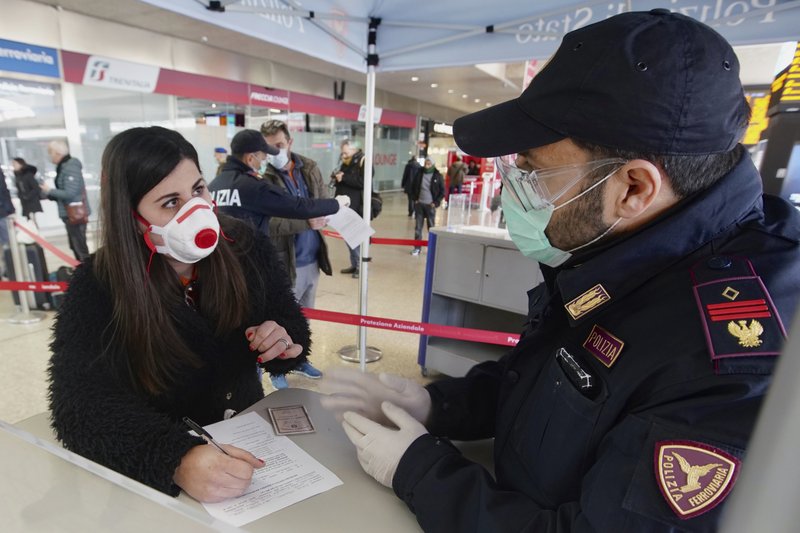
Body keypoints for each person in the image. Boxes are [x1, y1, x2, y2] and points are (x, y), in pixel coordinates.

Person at [320, 10, 800, 531]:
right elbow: (548, 377)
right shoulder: (624, 249)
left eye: (535, 171)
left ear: (634, 188)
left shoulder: (733, 358)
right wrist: (437, 405)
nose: (516, 188)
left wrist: (420, 469)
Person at [48, 126, 312, 503]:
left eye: (199, 189)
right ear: (131, 215)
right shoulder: (99, 283)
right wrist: (176, 458)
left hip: (247, 438)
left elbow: (289, 319)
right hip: (162, 472)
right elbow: (78, 408)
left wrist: (285, 340)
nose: (196, 211)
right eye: (171, 202)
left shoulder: (242, 244)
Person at [260, 119, 329, 389]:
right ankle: (277, 370)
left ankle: (299, 361)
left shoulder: (309, 168)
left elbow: (321, 200)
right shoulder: (263, 179)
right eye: (269, 149)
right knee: (281, 320)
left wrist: (332, 210)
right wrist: (305, 222)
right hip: (285, 261)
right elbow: (268, 222)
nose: (275, 153)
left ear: (289, 142)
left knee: (304, 318)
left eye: (279, 145)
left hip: (312, 258)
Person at [208, 129, 348, 236]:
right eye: (263, 157)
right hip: (248, 263)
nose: (264, 161)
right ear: (250, 158)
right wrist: (336, 204)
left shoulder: (214, 185)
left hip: (223, 263)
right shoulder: (251, 187)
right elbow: (297, 206)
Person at [41, 140, 90, 261]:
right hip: (70, 214)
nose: (49, 156)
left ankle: (88, 276)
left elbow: (71, 192)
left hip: (75, 215)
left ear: (57, 153)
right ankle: (83, 274)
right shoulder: (63, 167)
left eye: (50, 153)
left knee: (80, 249)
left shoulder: (70, 166)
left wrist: (50, 191)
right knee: (76, 247)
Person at [331, 139, 368, 278]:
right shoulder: (347, 162)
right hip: (344, 206)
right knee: (348, 237)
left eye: (345, 152)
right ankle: (354, 264)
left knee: (356, 237)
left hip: (356, 205)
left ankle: (360, 266)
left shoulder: (363, 161)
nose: (343, 155)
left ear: (354, 150)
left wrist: (344, 177)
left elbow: (363, 182)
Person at [410, 157, 444, 256]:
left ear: (432, 164)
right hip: (419, 204)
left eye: (429, 163)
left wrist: (436, 203)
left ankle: (432, 248)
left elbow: (442, 191)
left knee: (431, 228)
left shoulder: (437, 176)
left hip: (430, 205)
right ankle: (417, 248)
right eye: (425, 163)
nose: (426, 165)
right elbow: (413, 187)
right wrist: (415, 199)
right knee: (418, 228)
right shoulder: (419, 173)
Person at [11, 157, 43, 225]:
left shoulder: (28, 175)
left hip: (32, 202)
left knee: (33, 222)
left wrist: (27, 196)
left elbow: (36, 188)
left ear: (21, 164)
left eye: (15, 164)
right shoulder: (18, 176)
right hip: (25, 203)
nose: (13, 165)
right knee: (29, 222)